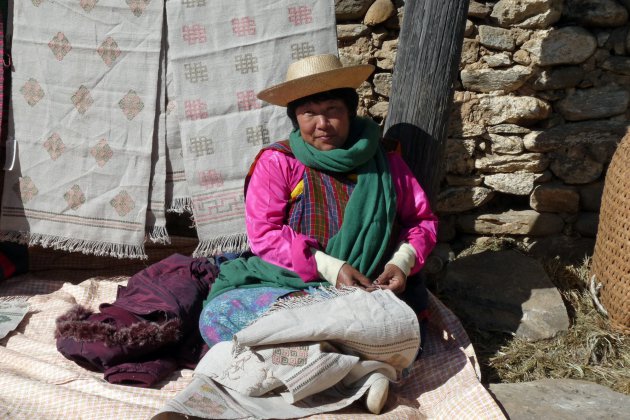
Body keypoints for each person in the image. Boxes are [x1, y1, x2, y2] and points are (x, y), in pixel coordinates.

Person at [198, 54, 438, 414]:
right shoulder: (279, 162)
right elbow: (264, 233)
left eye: (333, 109)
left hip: (366, 293)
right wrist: (331, 269)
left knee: (404, 331)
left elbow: (421, 221)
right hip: (293, 287)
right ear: (295, 117)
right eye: (309, 113)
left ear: (351, 111)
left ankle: (323, 365)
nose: (322, 123)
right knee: (218, 319)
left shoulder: (386, 161)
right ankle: (358, 369)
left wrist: (402, 262)